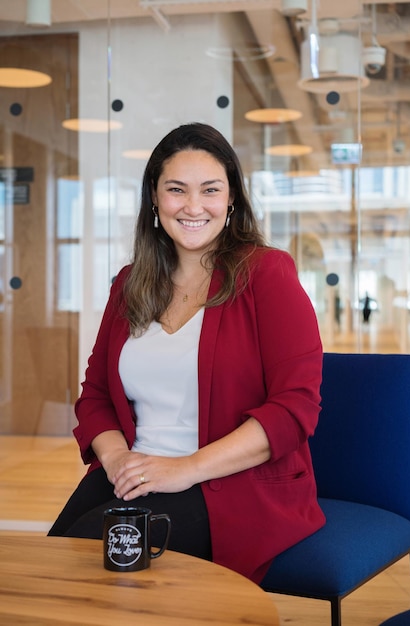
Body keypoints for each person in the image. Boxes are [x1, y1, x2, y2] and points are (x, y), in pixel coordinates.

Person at [48, 122, 325, 583]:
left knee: (96, 571)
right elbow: (94, 396)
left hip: (231, 486)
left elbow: (294, 410)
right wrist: (118, 461)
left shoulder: (268, 274)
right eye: (176, 190)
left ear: (231, 198)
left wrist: (184, 469)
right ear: (155, 199)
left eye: (210, 190)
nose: (193, 207)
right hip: (136, 470)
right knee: (55, 565)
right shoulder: (129, 283)